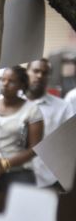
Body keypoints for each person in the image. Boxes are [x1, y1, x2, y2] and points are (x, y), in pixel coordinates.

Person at [0, 65, 44, 194]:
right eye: (3, 79)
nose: (5, 84)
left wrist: (5, 165)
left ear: (21, 85)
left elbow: (35, 148)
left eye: (11, 81)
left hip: (17, 171)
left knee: (21, 203)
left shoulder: (32, 110)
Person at [26, 58, 75, 190]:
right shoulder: (11, 103)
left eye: (45, 73)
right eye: (36, 71)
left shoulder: (63, 108)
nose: (39, 76)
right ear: (26, 73)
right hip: (12, 176)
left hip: (48, 180)